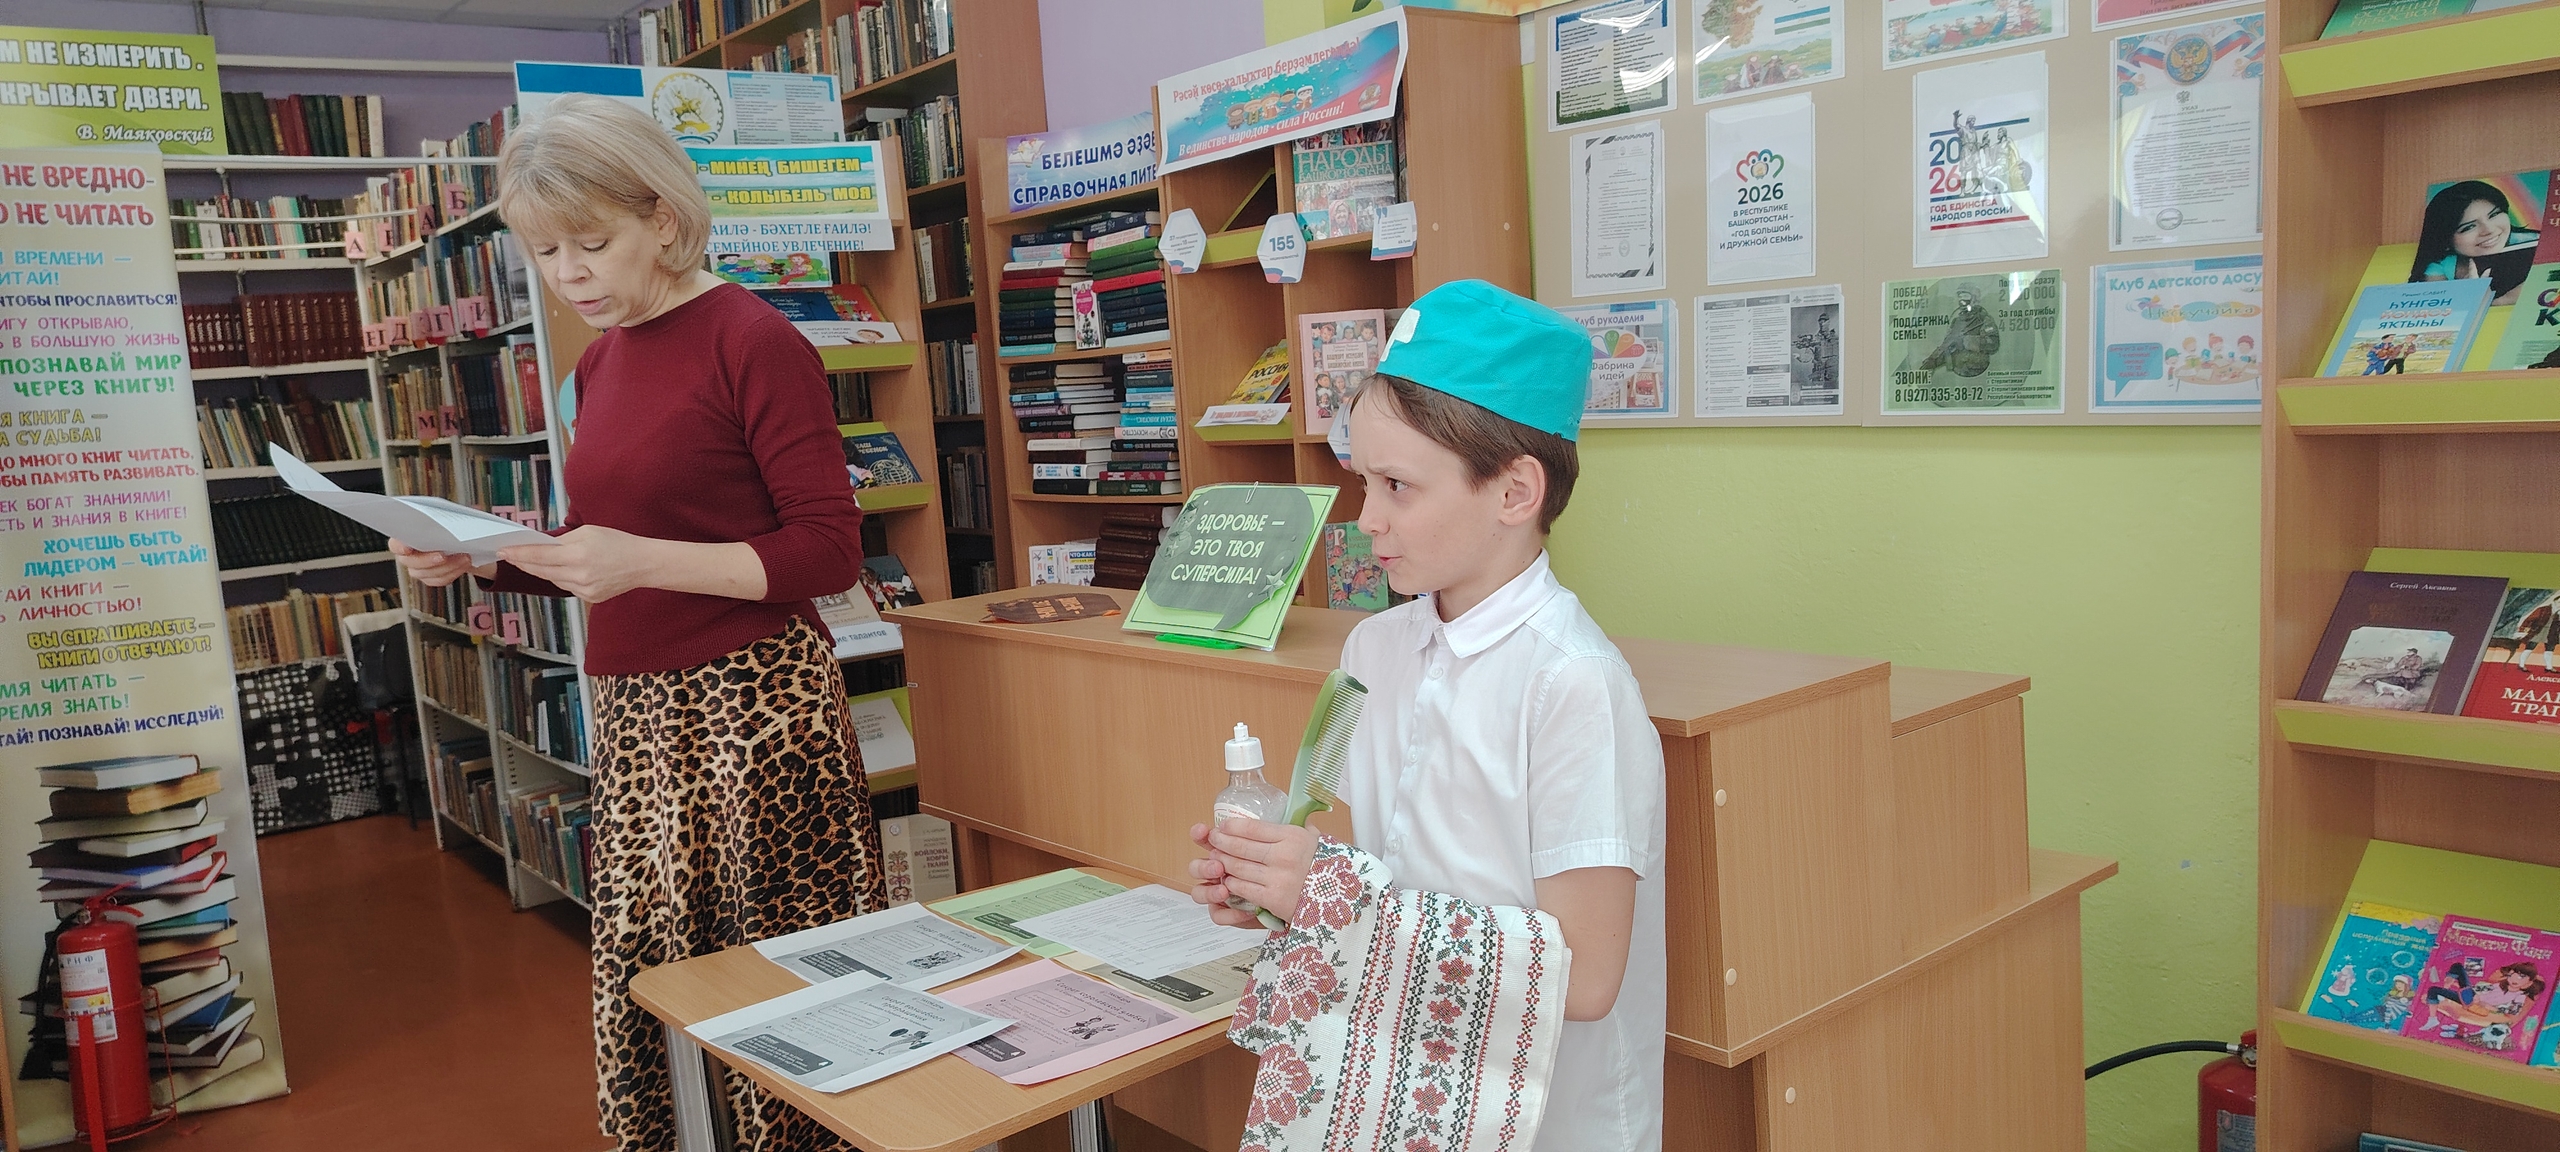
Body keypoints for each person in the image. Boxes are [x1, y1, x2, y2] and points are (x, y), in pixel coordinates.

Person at [389, 93, 883, 1152]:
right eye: (545, 253)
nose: (570, 276)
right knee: (662, 971)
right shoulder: (599, 363)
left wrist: (641, 560)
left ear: (662, 217)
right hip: (638, 717)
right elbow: (595, 548)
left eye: (592, 243)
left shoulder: (754, 339)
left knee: (775, 981)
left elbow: (827, 551)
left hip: (752, 710)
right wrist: (478, 558)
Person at [1189, 279, 1667, 1150]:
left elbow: (1589, 975)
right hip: (1396, 1092)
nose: (1365, 518)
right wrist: (1275, 892)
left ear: (1515, 492)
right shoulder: (1370, 652)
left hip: (1544, 1116)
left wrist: (1329, 898)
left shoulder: (1576, 685)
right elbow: (1360, 863)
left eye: (1398, 486)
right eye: (1362, 481)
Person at [2411, 178, 2540, 305]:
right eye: (2469, 227)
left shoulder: (2538, 243)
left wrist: (2497, 301)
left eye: (2494, 215)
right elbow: (2436, 305)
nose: (2488, 230)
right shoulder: (2441, 264)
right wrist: (2467, 294)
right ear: (2445, 239)